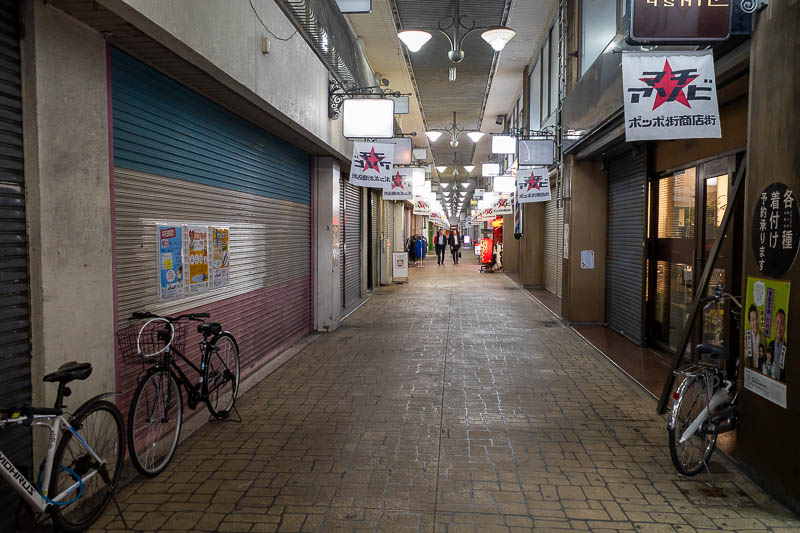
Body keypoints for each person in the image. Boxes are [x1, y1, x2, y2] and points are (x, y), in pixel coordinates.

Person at [768, 308, 787, 381]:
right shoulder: (770, 345)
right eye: (777, 322)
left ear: (785, 327)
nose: (779, 327)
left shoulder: (787, 348)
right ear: (774, 324)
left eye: (782, 323)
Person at [747, 304, 764, 369]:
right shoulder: (746, 337)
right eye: (753, 319)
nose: (755, 323)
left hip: (760, 370)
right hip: (750, 369)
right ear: (750, 323)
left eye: (756, 318)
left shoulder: (763, 337)